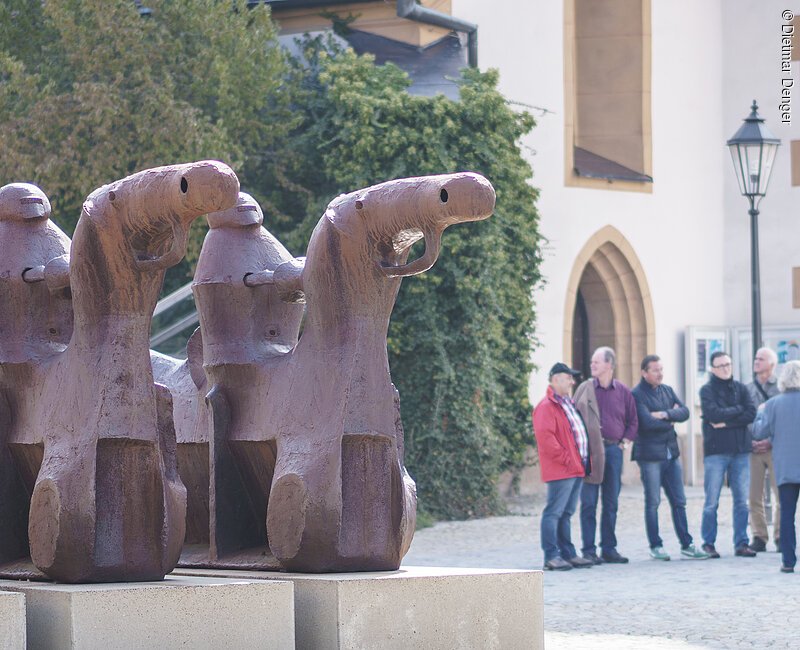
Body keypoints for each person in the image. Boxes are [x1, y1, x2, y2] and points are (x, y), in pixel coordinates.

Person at [632, 355, 709, 560]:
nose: (660, 373)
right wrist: (670, 419)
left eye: (661, 369)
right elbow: (646, 423)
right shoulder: (637, 394)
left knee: (679, 500)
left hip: (671, 453)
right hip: (650, 456)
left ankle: (687, 543)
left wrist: (664, 414)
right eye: (655, 370)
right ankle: (655, 545)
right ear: (644, 373)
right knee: (653, 502)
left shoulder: (667, 390)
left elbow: (684, 412)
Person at [574, 347, 638, 564]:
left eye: (597, 362)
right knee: (589, 502)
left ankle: (609, 548)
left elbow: (633, 420)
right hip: (590, 452)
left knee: (611, 502)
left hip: (613, 451)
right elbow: (573, 418)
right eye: (592, 362)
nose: (592, 365)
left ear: (610, 365)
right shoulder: (584, 389)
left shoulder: (623, 391)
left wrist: (625, 441)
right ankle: (589, 551)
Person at [533, 363, 594, 571]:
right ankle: (551, 555)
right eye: (569, 378)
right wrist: (568, 459)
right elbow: (546, 439)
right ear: (557, 379)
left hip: (576, 467)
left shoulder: (566, 402)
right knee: (554, 512)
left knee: (566, 513)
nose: (572, 382)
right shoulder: (546, 406)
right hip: (562, 468)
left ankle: (567, 553)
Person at [699, 350, 757, 558]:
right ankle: (708, 543)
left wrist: (727, 421)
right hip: (716, 451)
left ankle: (741, 543)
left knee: (742, 500)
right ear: (713, 369)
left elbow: (751, 412)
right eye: (721, 365)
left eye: (728, 364)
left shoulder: (741, 388)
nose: (726, 368)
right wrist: (737, 411)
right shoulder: (706, 390)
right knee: (711, 501)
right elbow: (713, 414)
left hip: (741, 450)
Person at [753, 360, 800, 573]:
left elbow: (759, 432)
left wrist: (761, 412)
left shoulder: (773, 404)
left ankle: (788, 561)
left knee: (787, 516)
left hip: (786, 469)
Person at [746, 347, 781, 553]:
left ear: (772, 365)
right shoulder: (747, 388)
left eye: (761, 359)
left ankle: (779, 535)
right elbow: (744, 417)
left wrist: (769, 440)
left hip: (775, 448)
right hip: (753, 448)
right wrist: (750, 441)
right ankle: (759, 536)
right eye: (756, 357)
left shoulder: (781, 388)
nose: (756, 361)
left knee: (780, 495)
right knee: (754, 495)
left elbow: (783, 418)